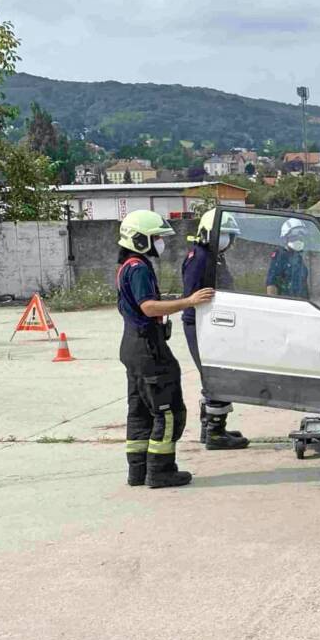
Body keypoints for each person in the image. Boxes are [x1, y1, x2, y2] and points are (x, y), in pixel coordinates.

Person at [116, 210, 214, 489]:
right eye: (156, 237)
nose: (161, 243)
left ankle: (138, 471)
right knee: (169, 412)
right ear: (140, 239)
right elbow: (148, 307)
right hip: (149, 348)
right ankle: (161, 471)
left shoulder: (127, 265)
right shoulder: (138, 268)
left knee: (140, 411)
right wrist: (188, 301)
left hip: (133, 346)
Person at [182, 209, 250, 451]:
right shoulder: (200, 257)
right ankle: (215, 433)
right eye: (222, 234)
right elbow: (193, 294)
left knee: (213, 375)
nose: (226, 240)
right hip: (202, 324)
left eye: (229, 235)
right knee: (217, 376)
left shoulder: (214, 256)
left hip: (213, 323)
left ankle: (211, 428)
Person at [266, 219, 312, 299]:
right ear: (285, 238)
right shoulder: (280, 256)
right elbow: (271, 284)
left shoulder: (298, 257)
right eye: (294, 237)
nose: (298, 240)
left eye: (301, 237)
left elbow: (303, 284)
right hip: (287, 303)